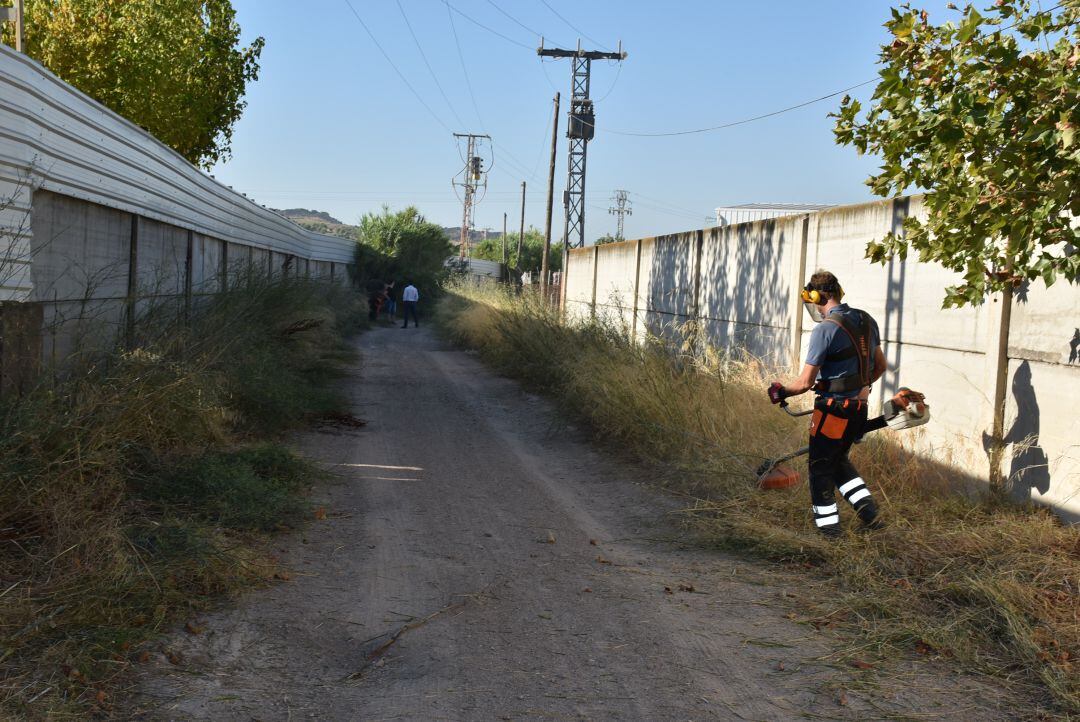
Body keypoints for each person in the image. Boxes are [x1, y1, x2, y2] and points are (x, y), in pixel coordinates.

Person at [767, 270, 888, 537]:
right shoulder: (867, 320)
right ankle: (870, 514)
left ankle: (829, 531)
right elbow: (880, 366)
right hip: (859, 409)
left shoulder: (825, 329)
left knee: (820, 467)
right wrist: (862, 388)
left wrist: (780, 391)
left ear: (816, 297)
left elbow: (804, 383)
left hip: (833, 412)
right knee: (838, 462)